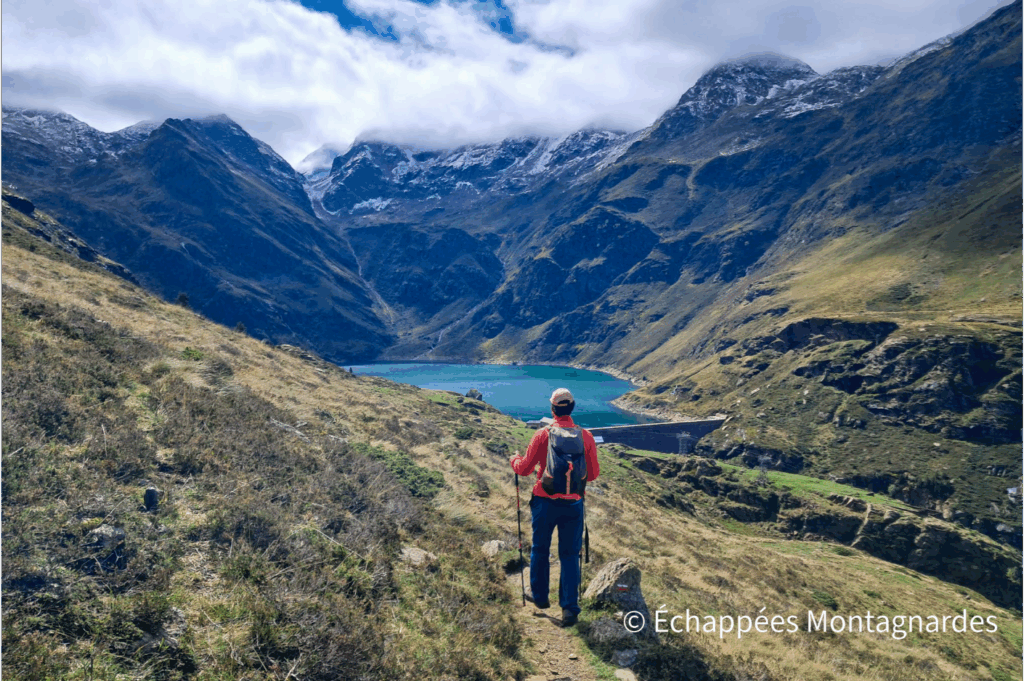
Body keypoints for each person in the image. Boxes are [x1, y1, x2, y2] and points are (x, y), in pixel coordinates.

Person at [510, 388, 599, 627]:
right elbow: (593, 474)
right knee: (570, 555)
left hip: (545, 500)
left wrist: (514, 460)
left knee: (540, 548)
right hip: (573, 503)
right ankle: (569, 608)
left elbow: (525, 469)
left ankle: (539, 598)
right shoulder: (586, 436)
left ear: (552, 409)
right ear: (572, 407)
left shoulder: (543, 435)